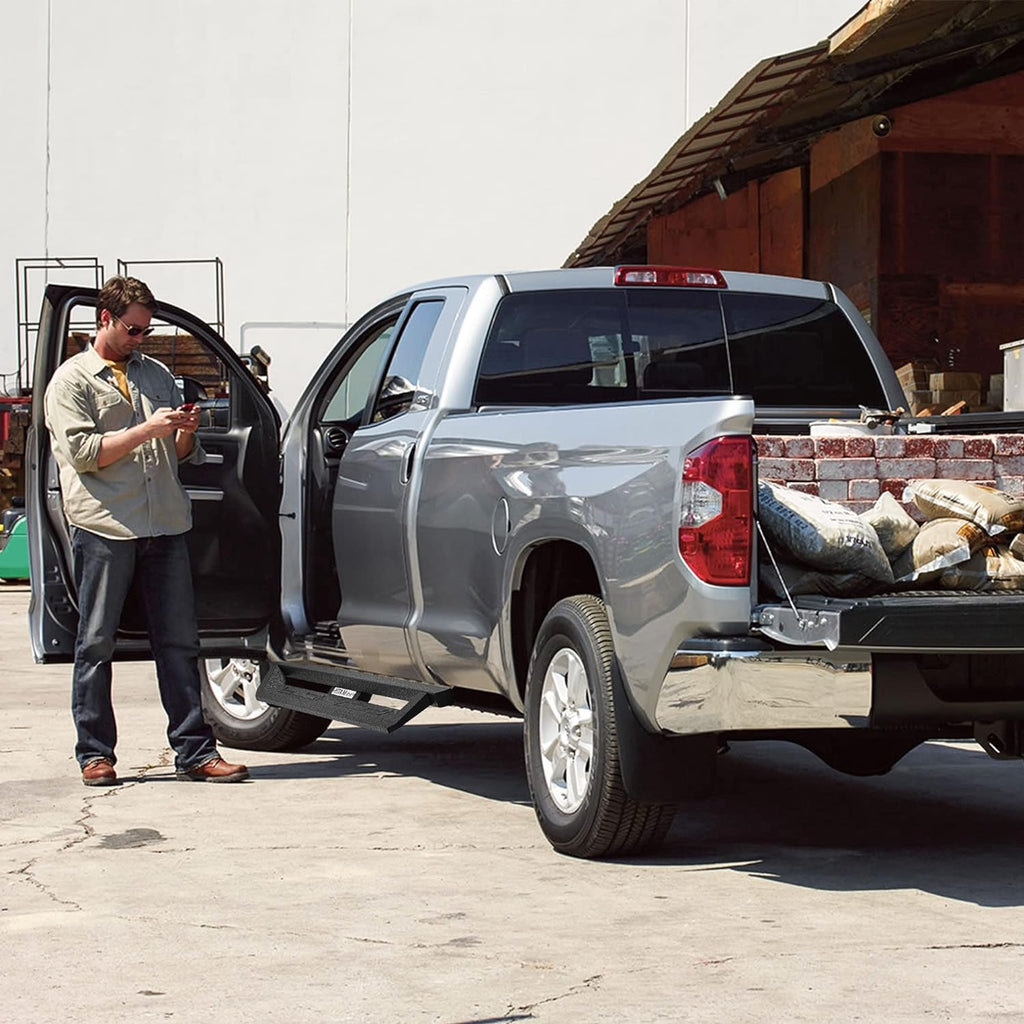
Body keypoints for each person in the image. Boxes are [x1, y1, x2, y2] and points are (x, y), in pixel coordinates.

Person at [44, 276, 248, 786]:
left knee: (180, 643)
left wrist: (183, 433)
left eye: (147, 331)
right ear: (105, 320)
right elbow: (85, 455)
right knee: (96, 644)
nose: (141, 339)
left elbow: (181, 457)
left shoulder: (155, 373)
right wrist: (145, 430)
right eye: (134, 330)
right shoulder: (70, 382)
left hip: (165, 523)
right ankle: (94, 753)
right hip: (107, 526)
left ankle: (196, 753)